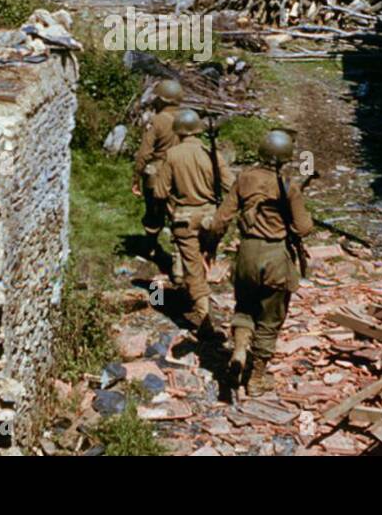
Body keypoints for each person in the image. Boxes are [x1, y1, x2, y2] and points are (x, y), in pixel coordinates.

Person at [207, 129, 313, 397]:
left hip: (247, 254)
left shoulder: (243, 179)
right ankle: (256, 378)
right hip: (276, 258)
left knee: (244, 308)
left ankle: (240, 350)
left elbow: (221, 219)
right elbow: (303, 227)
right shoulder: (288, 186)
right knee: (270, 319)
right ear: (286, 157)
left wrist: (210, 246)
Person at [153, 108, 234, 342]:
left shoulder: (172, 155)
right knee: (202, 257)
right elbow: (232, 187)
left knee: (192, 267)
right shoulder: (212, 154)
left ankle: (204, 315)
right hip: (211, 217)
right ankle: (196, 292)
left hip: (184, 219)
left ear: (178, 130)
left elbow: (159, 192)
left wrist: (170, 206)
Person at [132, 78, 184, 276]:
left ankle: (151, 248)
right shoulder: (187, 119)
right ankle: (178, 265)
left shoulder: (157, 121)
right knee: (177, 216)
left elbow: (145, 152)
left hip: (158, 171)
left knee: (153, 212)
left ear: (162, 100)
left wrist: (136, 176)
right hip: (180, 172)